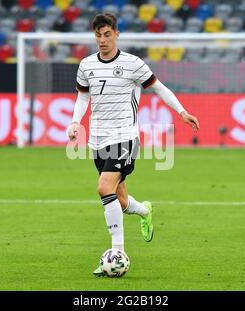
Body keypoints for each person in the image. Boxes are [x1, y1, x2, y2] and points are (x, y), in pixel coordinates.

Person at [67, 13, 199, 276]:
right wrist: (74, 122)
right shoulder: (86, 65)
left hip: (125, 137)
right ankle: (144, 211)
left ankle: (117, 255)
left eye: (107, 34)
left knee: (104, 187)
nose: (102, 40)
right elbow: (83, 97)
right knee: (120, 198)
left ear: (116, 34)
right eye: (98, 35)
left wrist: (182, 112)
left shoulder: (132, 64)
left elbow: (160, 88)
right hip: (97, 139)